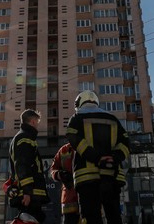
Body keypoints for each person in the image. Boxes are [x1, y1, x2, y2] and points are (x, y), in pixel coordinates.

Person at [66, 90, 129, 224]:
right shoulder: (113, 119)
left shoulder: (77, 118)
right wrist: (114, 158)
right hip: (112, 175)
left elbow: (73, 138)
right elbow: (126, 143)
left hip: (87, 177)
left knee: (91, 217)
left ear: (79, 103)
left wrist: (96, 158)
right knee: (114, 216)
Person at [9, 109, 49, 223]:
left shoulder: (21, 137)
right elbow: (23, 165)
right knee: (30, 219)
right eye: (37, 122)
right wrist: (27, 192)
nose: (37, 126)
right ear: (33, 121)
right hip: (31, 192)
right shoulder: (25, 138)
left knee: (34, 218)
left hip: (28, 191)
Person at [49, 143, 80, 224]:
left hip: (87, 195)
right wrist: (59, 174)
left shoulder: (88, 146)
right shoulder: (64, 150)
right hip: (69, 199)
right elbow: (52, 170)